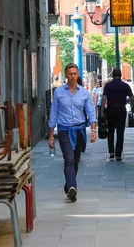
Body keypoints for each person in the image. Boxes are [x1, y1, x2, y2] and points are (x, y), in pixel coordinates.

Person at [48, 63, 96, 203]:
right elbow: (54, 113)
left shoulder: (84, 93)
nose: (73, 76)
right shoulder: (59, 92)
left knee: (75, 161)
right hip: (64, 130)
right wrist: (51, 134)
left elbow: (91, 112)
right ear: (66, 75)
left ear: (78, 75)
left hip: (79, 130)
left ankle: (68, 186)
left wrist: (93, 130)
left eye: (75, 74)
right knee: (68, 159)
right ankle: (73, 187)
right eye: (70, 74)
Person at [102, 68, 134, 161]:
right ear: (120, 75)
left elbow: (104, 98)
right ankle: (118, 154)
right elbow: (132, 98)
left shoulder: (108, 86)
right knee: (120, 132)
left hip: (110, 109)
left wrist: (102, 111)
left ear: (112, 75)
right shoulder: (125, 86)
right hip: (121, 109)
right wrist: (133, 107)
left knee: (110, 131)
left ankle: (111, 152)